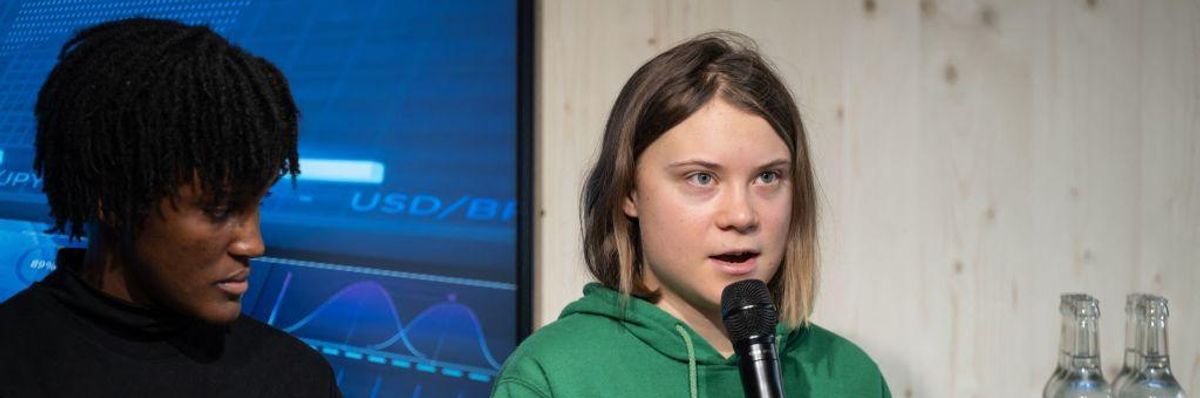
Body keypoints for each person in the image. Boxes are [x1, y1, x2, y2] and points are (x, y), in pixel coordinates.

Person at [493, 32, 891, 397]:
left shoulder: (849, 377)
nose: (741, 215)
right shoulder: (552, 377)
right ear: (628, 192)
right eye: (702, 178)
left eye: (767, 177)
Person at [0, 17, 341, 397]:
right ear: (113, 198)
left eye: (258, 204)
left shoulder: (296, 380)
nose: (253, 244)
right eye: (219, 209)